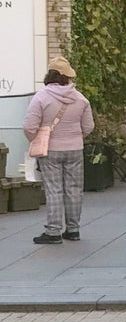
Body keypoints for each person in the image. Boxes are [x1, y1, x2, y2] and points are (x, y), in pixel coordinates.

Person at [23, 56, 94, 245]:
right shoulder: (80, 98)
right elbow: (88, 126)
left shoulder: (41, 97)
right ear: (68, 76)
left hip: (50, 150)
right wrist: (76, 137)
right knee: (74, 189)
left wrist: (37, 139)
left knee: (54, 189)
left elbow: (29, 126)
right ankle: (73, 229)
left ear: (50, 75)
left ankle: (53, 231)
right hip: (75, 149)